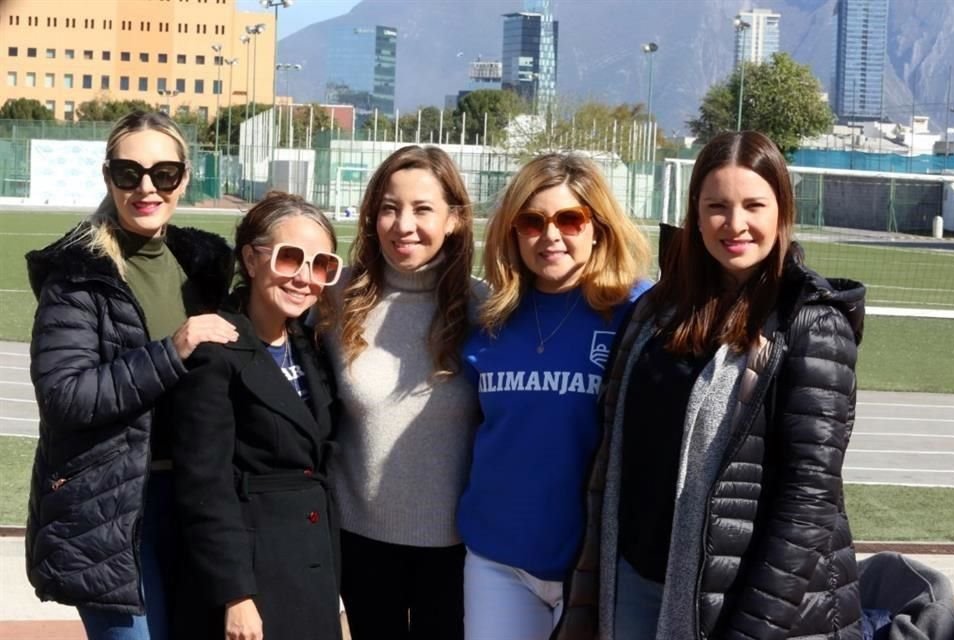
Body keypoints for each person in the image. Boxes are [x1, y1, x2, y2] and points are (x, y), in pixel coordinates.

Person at [552, 130, 866, 640]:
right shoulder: (656, 312)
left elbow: (808, 501)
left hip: (741, 604)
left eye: (753, 205)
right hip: (634, 579)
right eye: (717, 206)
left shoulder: (810, 323)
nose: (735, 223)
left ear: (782, 212)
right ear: (695, 214)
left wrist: (751, 629)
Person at [24, 110, 237, 640]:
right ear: (108, 178)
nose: (146, 188)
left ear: (185, 178)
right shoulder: (77, 276)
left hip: (192, 501)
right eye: (128, 173)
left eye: (164, 174)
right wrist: (173, 349)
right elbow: (66, 396)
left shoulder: (203, 263)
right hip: (110, 510)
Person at [457, 152, 653, 640]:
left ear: (597, 227)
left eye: (569, 219)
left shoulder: (638, 313)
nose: (550, 236)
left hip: (594, 565)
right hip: (498, 561)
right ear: (512, 230)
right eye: (532, 221)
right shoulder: (489, 320)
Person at [322, 145, 484, 639]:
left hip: (458, 548)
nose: (402, 225)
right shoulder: (334, 299)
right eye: (389, 208)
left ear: (455, 219)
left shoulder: (488, 308)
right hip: (360, 540)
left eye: (422, 209)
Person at [169, 192, 343, 640]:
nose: (305, 278)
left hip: (310, 568)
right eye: (289, 258)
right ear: (250, 259)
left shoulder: (309, 345)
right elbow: (204, 486)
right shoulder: (216, 352)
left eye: (321, 264)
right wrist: (236, 596)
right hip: (254, 579)